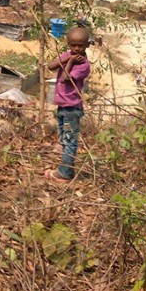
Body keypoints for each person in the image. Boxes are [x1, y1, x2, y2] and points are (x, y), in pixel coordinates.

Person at [46, 27, 91, 182]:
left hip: (72, 108)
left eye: (80, 46)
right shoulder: (68, 56)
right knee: (64, 139)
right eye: (73, 45)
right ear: (68, 44)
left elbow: (65, 78)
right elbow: (50, 66)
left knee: (70, 140)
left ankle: (65, 174)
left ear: (87, 45)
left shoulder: (83, 65)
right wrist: (67, 58)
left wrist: (70, 60)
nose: (76, 49)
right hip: (63, 106)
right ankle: (66, 169)